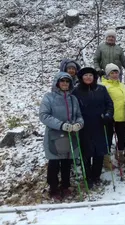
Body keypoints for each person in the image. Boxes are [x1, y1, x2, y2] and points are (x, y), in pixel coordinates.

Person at [39, 72, 84, 200]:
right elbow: (44, 115)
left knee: (67, 160)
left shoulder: (73, 99)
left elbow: (79, 115)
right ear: (57, 83)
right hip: (55, 134)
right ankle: (53, 188)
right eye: (62, 81)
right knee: (54, 161)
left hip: (71, 133)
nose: (65, 83)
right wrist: (61, 125)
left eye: (67, 81)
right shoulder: (49, 97)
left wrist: (79, 124)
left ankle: (65, 185)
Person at [72, 67, 114, 188]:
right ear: (81, 77)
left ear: (94, 77)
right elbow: (73, 108)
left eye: (90, 75)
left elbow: (109, 104)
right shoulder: (76, 91)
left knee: (99, 152)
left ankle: (96, 176)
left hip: (100, 124)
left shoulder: (101, 89)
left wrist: (108, 115)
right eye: (86, 75)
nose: (88, 77)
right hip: (84, 126)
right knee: (86, 152)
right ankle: (88, 176)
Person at [102, 63, 125, 165]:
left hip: (121, 116)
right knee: (107, 138)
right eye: (112, 73)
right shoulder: (104, 85)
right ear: (108, 74)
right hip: (109, 117)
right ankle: (106, 158)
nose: (114, 75)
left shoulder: (122, 85)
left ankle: (120, 154)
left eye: (116, 72)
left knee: (122, 137)